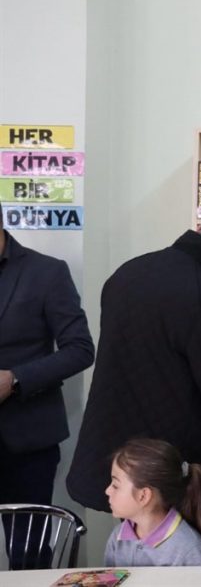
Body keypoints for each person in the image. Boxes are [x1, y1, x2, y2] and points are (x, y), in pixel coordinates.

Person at [67, 201, 201, 515]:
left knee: (131, 544)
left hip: (118, 462)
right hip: (174, 470)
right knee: (182, 546)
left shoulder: (127, 274)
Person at [0, 201, 95, 568]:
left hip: (26, 444)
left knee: (29, 558)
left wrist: (15, 379)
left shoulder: (47, 272)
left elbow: (81, 350)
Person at [104, 438, 201, 566]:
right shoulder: (117, 537)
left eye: (115, 485)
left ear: (144, 496)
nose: (107, 491)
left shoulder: (189, 550)